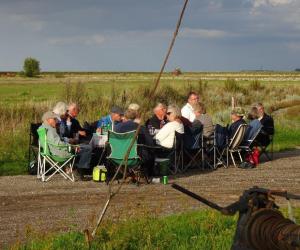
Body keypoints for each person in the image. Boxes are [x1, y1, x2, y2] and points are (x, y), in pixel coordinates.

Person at [39, 111, 92, 180]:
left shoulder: (42, 128)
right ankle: (79, 172)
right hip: (60, 153)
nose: (57, 121)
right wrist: (72, 147)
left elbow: (55, 141)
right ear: (49, 120)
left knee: (83, 147)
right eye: (54, 119)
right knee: (87, 148)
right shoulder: (50, 130)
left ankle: (75, 169)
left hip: (53, 151)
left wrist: (69, 142)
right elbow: (58, 143)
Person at [114, 109, 155, 176]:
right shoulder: (140, 128)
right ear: (135, 117)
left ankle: (125, 173)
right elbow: (150, 143)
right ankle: (146, 174)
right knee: (150, 152)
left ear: (125, 116)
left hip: (118, 156)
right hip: (135, 157)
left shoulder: (117, 127)